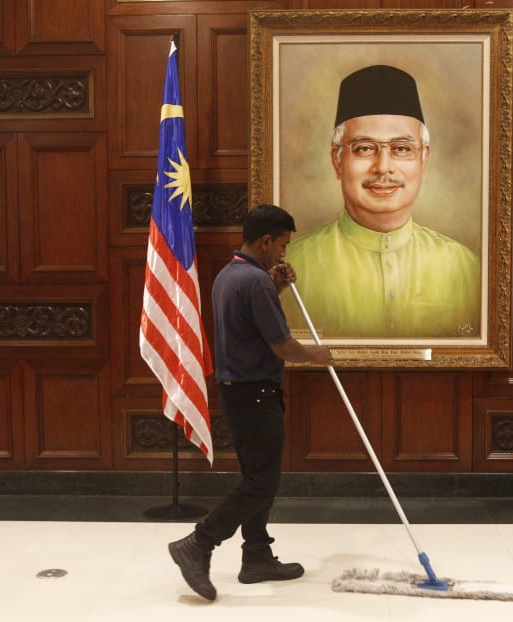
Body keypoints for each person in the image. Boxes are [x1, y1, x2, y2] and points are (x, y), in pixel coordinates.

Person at [168, 203, 332, 602]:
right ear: (266, 240)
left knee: (257, 475)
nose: (284, 253)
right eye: (282, 245)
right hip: (256, 393)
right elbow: (279, 345)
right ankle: (198, 543)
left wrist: (275, 286)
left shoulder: (231, 274)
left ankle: (256, 555)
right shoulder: (254, 282)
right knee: (262, 481)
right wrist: (317, 355)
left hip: (237, 392)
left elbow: (249, 324)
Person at [283, 64, 481, 339]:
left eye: (401, 148)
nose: (383, 167)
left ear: (424, 160)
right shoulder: (289, 269)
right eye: (364, 148)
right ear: (338, 160)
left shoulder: (467, 269)